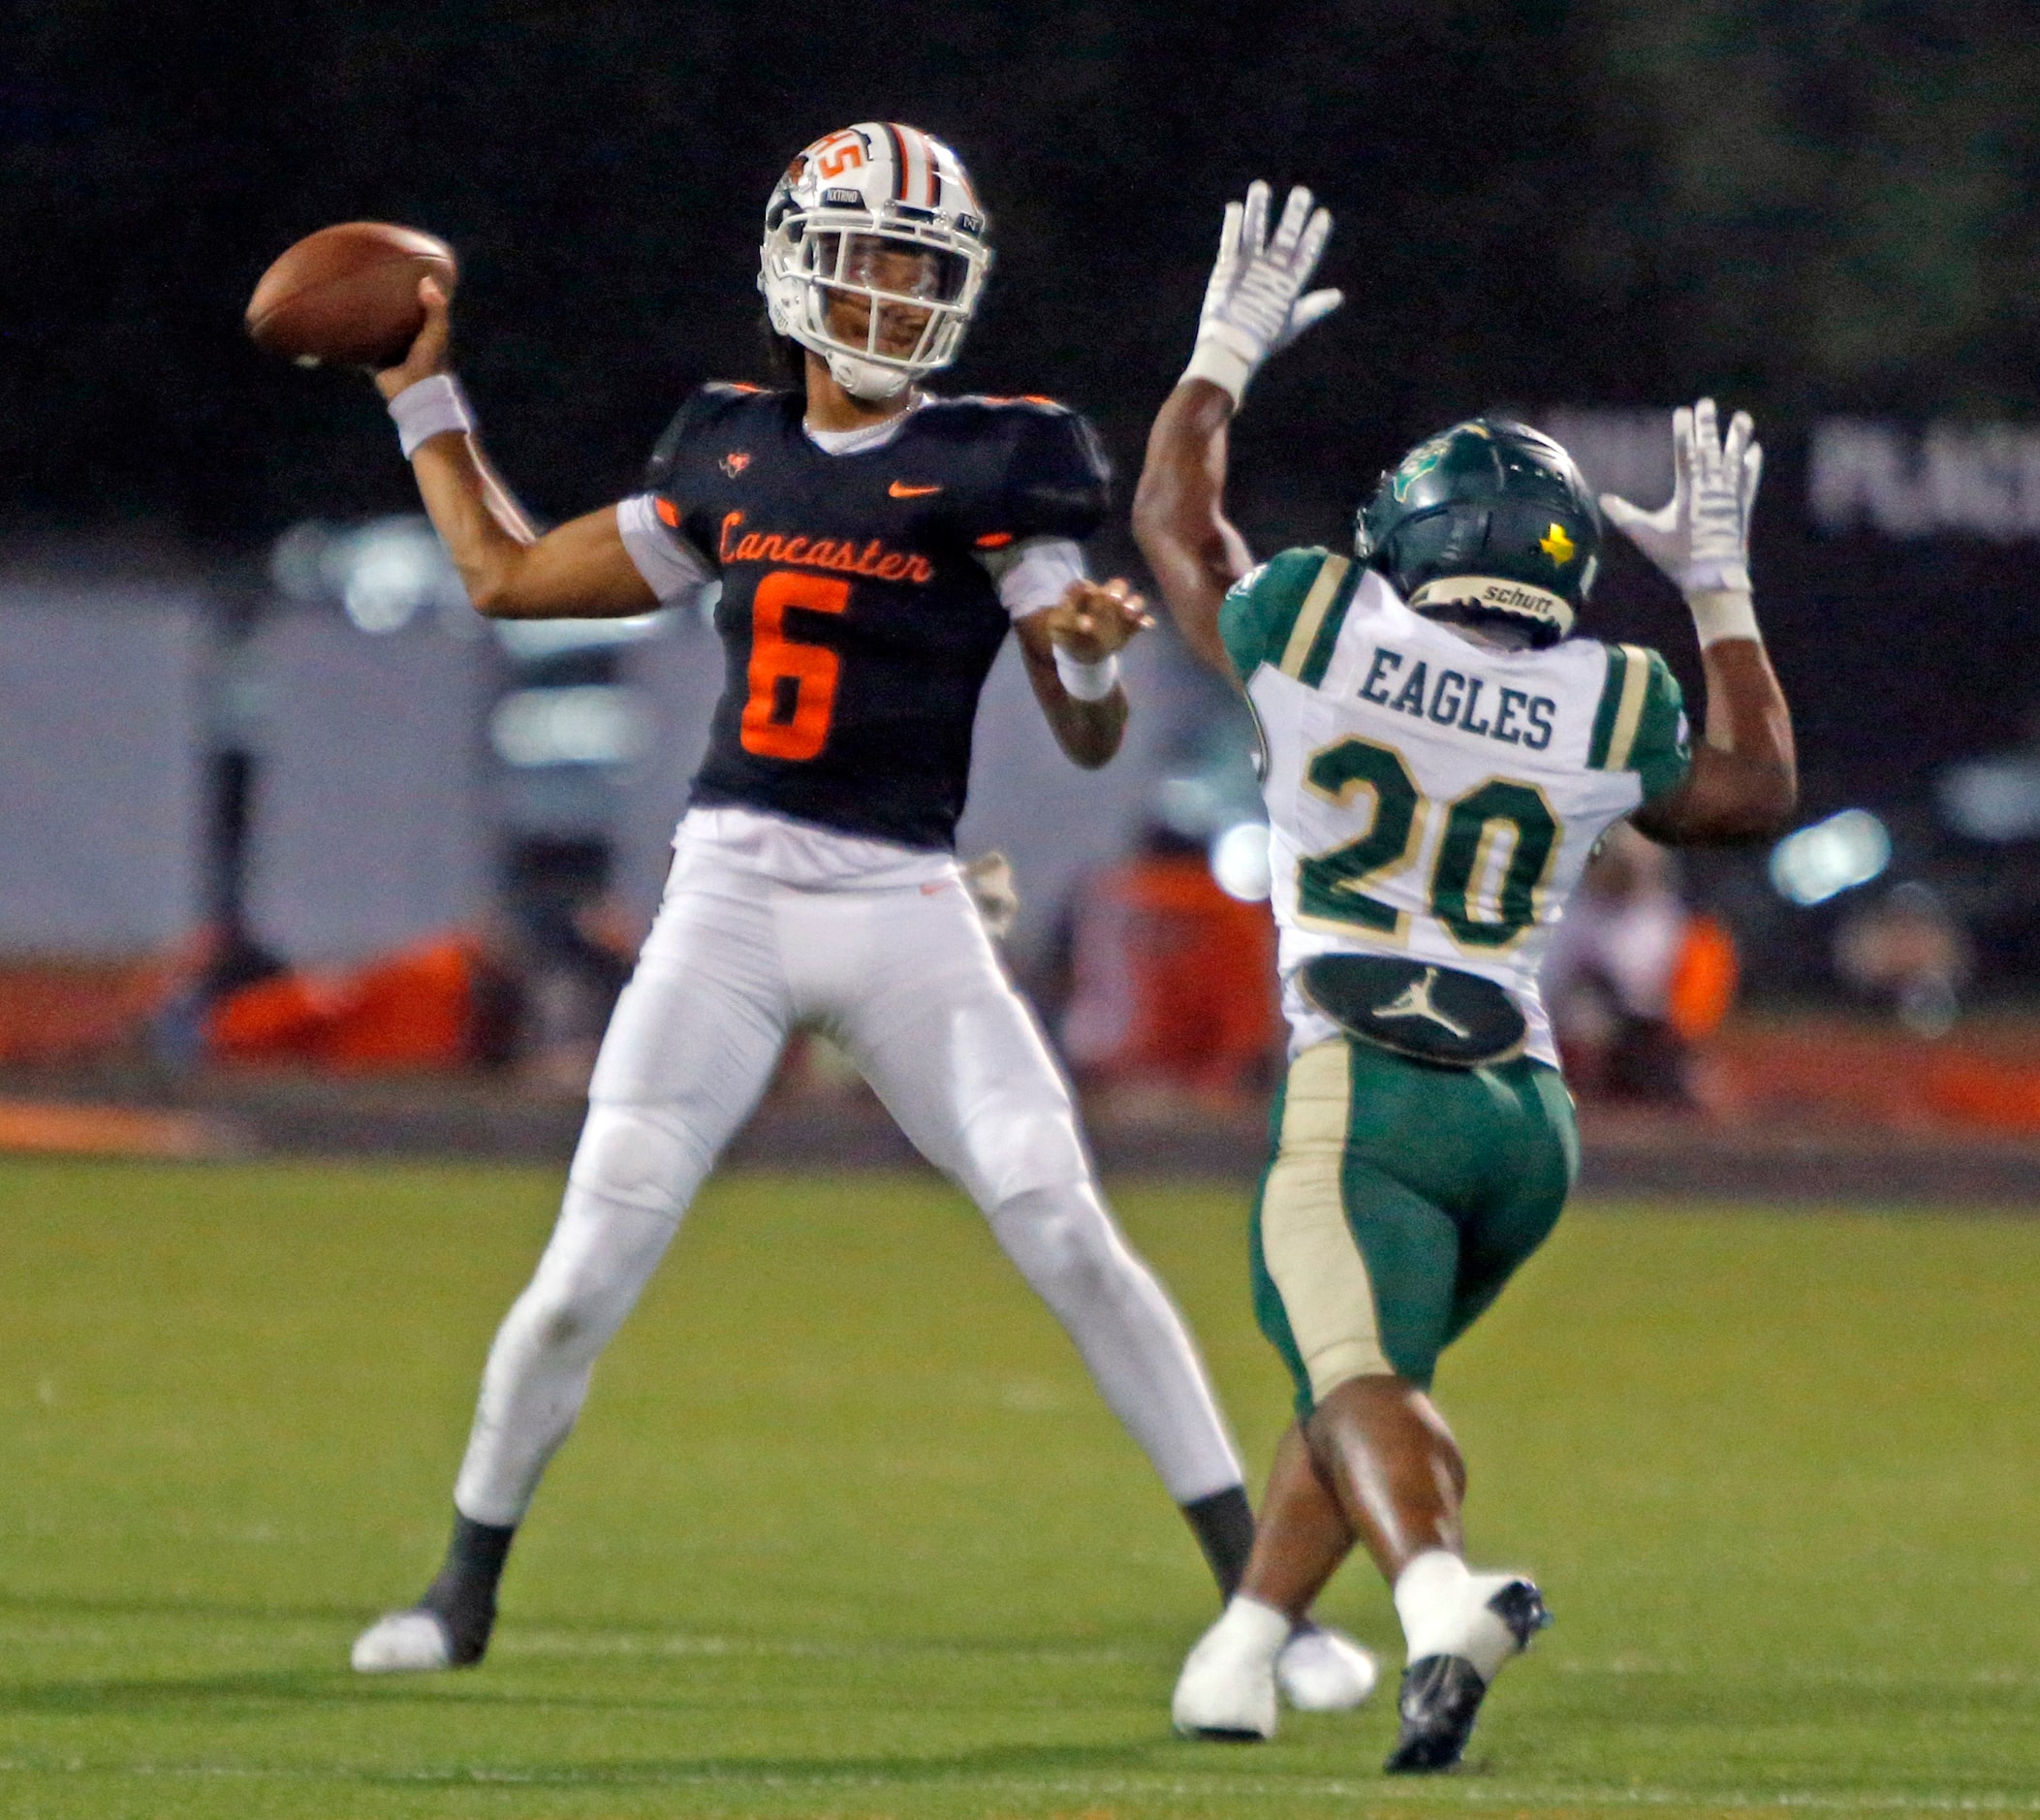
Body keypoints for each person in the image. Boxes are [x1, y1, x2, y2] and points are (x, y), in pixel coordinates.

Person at [343, 125, 1372, 1711]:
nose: (895, 295)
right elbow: (501, 574)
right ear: (792, 265)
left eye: (923, 266)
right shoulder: (723, 449)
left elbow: (1084, 727)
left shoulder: (1002, 457)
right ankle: (461, 1588)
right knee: (580, 1270)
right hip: (733, 893)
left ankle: (1266, 1614)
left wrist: (1091, 659)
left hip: (905, 902)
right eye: (871, 258)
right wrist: (419, 390)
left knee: (1066, 1226)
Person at [1132, 181, 1797, 1770]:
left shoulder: (1316, 622)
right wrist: (1715, 587)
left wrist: (1221, 353)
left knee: (1357, 1377)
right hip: (1524, 1117)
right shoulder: (1605, 693)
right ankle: (1237, 1651)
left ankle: (1439, 1595)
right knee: (1357, 1381)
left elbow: (1173, 524)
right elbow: (1750, 794)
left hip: (1365, 1084)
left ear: (1405, 537)